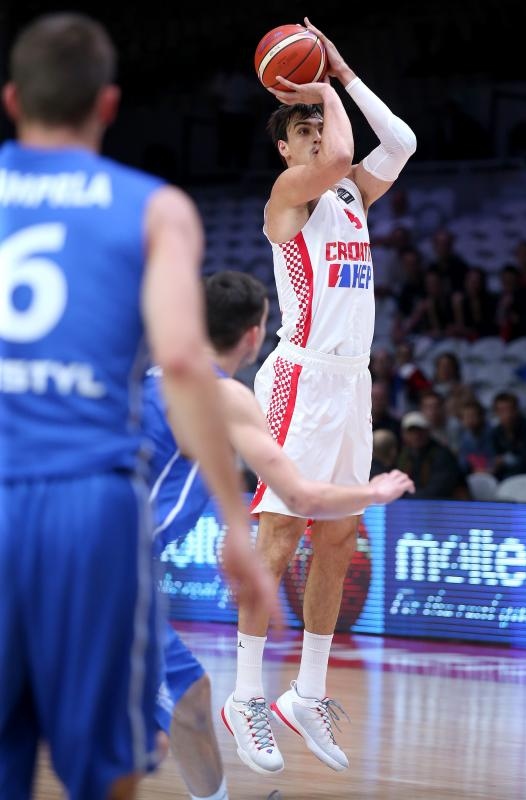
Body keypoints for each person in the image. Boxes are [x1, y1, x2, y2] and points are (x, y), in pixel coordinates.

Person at [0, 14, 276, 800]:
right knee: (106, 762)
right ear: (110, 105)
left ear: (14, 99)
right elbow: (186, 362)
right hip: (92, 507)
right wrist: (234, 524)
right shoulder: (154, 208)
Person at [225, 16, 417, 776]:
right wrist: (323, 87)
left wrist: (342, 72)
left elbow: (396, 141)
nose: (316, 134)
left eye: (317, 122)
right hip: (300, 378)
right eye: (299, 126)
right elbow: (341, 150)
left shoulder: (351, 197)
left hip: (351, 382)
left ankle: (304, 693)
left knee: (337, 539)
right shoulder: (291, 197)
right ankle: (244, 695)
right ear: (284, 147)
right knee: (279, 536)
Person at [145, 270, 414, 796]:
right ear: (255, 335)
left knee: (185, 706)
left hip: (55, 549)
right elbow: (305, 497)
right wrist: (374, 493)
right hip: (96, 573)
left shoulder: (141, 375)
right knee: (155, 719)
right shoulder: (227, 400)